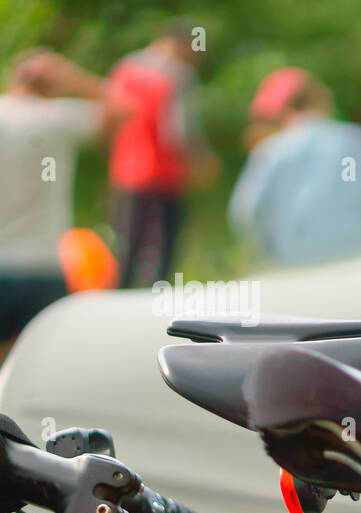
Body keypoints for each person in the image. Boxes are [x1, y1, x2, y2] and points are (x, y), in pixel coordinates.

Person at [229, 68, 361, 267]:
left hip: (299, 258)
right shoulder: (357, 139)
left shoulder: (271, 151)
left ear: (281, 113)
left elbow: (246, 212)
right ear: (322, 99)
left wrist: (267, 253)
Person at [0, 49, 105, 356]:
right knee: (37, 364)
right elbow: (124, 107)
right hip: (42, 265)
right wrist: (72, 75)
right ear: (53, 84)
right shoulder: (60, 117)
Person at [104, 21, 219, 287]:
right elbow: (177, 131)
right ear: (182, 44)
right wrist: (200, 162)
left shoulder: (124, 68)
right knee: (163, 251)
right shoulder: (179, 74)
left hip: (127, 173)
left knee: (126, 247)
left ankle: (115, 305)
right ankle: (155, 313)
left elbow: (108, 120)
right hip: (165, 175)